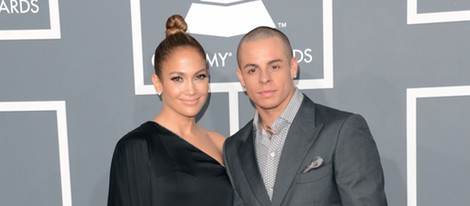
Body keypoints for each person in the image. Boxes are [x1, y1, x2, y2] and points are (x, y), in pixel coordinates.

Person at [223, 26, 388, 206]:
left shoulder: (341, 130)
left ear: (293, 67)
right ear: (241, 78)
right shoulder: (234, 148)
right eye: (253, 70)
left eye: (274, 66)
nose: (264, 78)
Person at [107, 14, 232, 206]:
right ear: (158, 83)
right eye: (177, 78)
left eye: (199, 77)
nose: (191, 89)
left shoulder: (221, 144)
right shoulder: (137, 146)